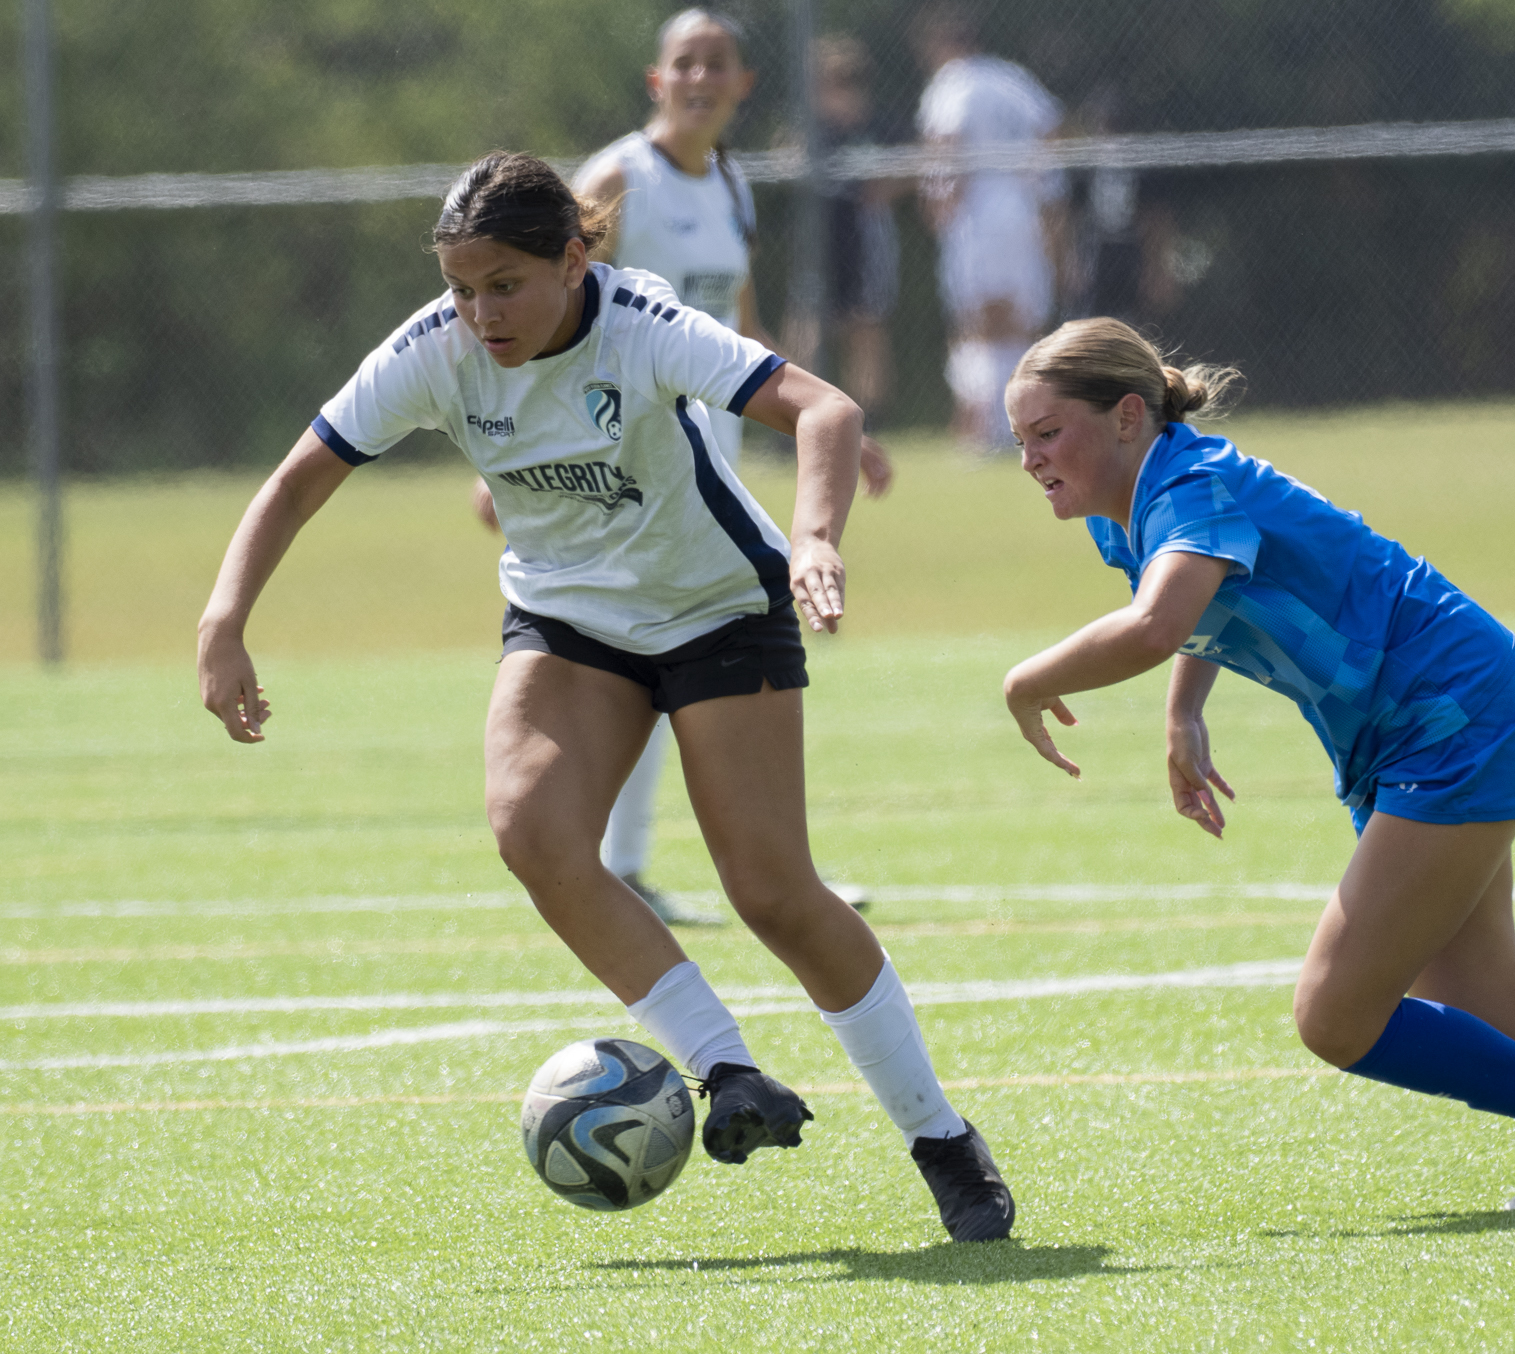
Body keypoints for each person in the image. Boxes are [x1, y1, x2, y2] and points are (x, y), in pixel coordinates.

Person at [197, 152, 1013, 1241]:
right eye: (460, 288)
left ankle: (941, 1141)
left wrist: (813, 537)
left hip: (719, 608)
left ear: (574, 260)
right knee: (530, 830)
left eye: (504, 285)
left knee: (770, 893)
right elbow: (300, 476)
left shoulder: (641, 323)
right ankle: (729, 1072)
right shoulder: (433, 350)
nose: (479, 313)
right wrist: (223, 620)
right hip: (570, 623)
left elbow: (825, 410)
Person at [996, 316, 1515, 1210]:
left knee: (1334, 1014)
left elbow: (1156, 622)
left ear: (1124, 417)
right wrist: (1184, 710)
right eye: (1020, 440)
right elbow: (1199, 602)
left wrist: (1025, 679)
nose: (1029, 459)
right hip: (1407, 728)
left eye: (1046, 433)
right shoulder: (1137, 505)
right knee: (1503, 1024)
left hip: (1451, 713)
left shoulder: (1186, 484)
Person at [499, 7, 884, 926]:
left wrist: (827, 423)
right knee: (685, 638)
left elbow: (741, 329)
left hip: (706, 461)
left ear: (744, 85)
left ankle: (660, 868)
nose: (700, 78)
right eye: (684, 63)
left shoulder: (731, 185)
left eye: (718, 64)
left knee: (675, 647)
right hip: (625, 461)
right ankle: (727, 877)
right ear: (655, 81)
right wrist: (506, 456)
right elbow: (548, 321)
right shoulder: (618, 178)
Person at [911, 3, 1065, 452]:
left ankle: (988, 428)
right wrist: (1040, 187)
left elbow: (947, 140)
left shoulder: (953, 81)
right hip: (1021, 204)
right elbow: (1051, 130)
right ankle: (1029, 421)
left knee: (976, 318)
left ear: (944, 44)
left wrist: (942, 200)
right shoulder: (1012, 77)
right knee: (1020, 318)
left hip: (978, 208)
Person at [810, 34, 904, 427]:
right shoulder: (815, 129)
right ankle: (792, 417)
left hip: (865, 231)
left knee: (865, 324)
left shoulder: (878, 125)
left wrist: (886, 187)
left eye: (845, 82)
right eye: (829, 83)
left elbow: (911, 167)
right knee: (808, 319)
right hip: (820, 233)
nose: (837, 92)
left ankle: (870, 418)